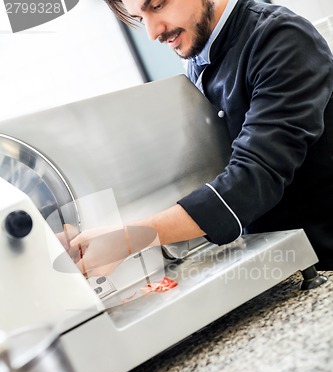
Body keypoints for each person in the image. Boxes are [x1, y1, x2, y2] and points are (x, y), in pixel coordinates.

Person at [68, 0, 333, 274]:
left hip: (325, 266)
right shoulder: (200, 54)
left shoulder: (281, 39)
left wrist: (129, 238)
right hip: (280, 266)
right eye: (139, 18)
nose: (152, 32)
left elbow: (254, 178)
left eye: (158, 5)